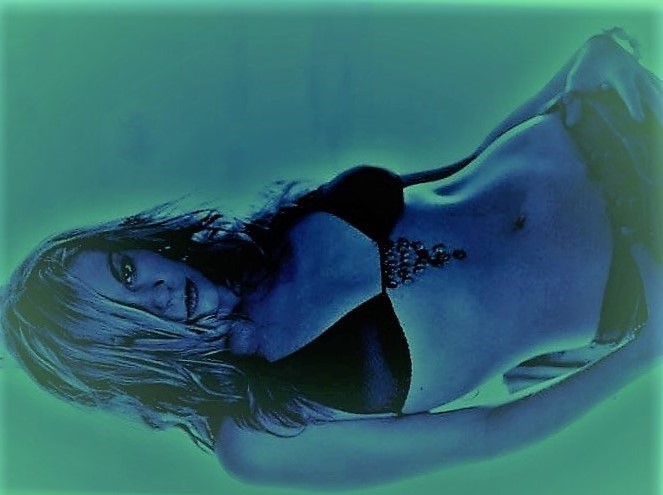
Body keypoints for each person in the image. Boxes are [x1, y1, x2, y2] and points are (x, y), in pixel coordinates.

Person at [1, 28, 662, 488]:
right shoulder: (258, 436)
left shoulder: (266, 240)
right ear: (123, 361)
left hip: (609, 124)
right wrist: (649, 346)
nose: (154, 290)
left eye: (124, 270)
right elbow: (490, 433)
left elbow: (459, 175)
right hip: (646, 264)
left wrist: (575, 70)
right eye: (124, 318)